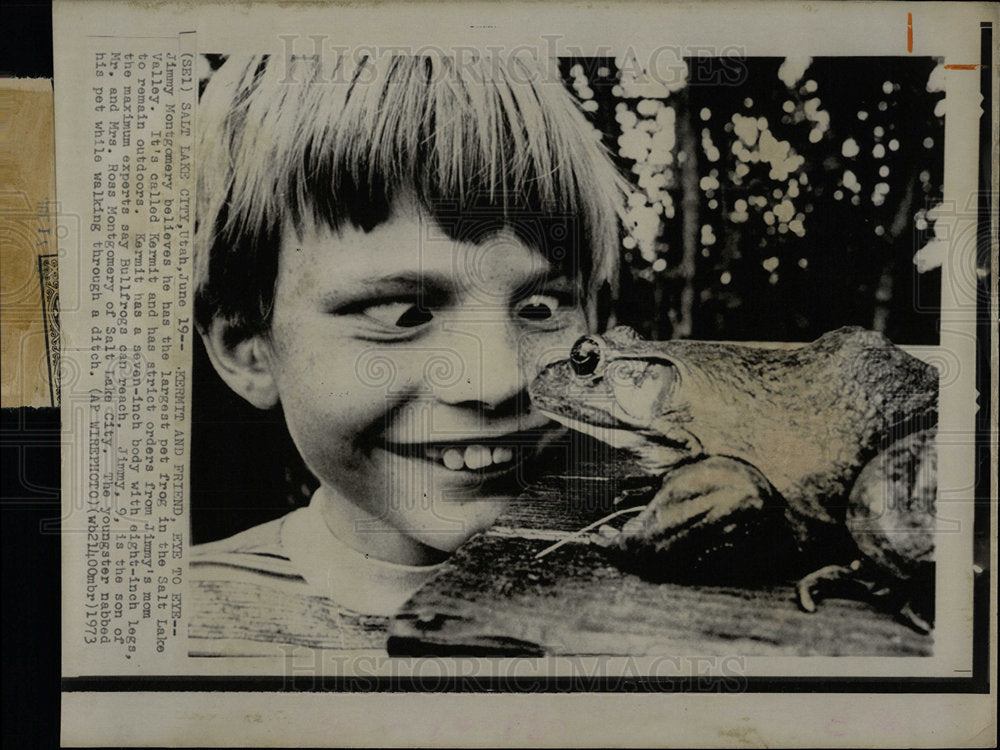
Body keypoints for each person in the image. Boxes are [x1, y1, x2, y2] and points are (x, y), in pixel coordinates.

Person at [188, 52, 625, 656]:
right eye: (404, 314)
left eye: (541, 309)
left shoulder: (678, 605)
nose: (497, 381)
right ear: (248, 352)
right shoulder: (177, 626)